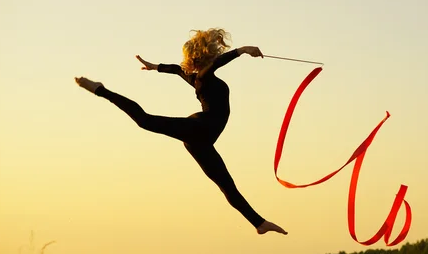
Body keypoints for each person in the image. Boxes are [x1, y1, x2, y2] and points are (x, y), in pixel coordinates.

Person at [75, 28, 287, 235]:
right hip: (199, 128)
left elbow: (177, 69)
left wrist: (154, 66)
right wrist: (242, 50)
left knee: (227, 186)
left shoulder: (197, 78)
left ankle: (259, 223)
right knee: (145, 120)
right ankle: (100, 90)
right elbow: (211, 64)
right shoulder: (204, 76)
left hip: (202, 141)